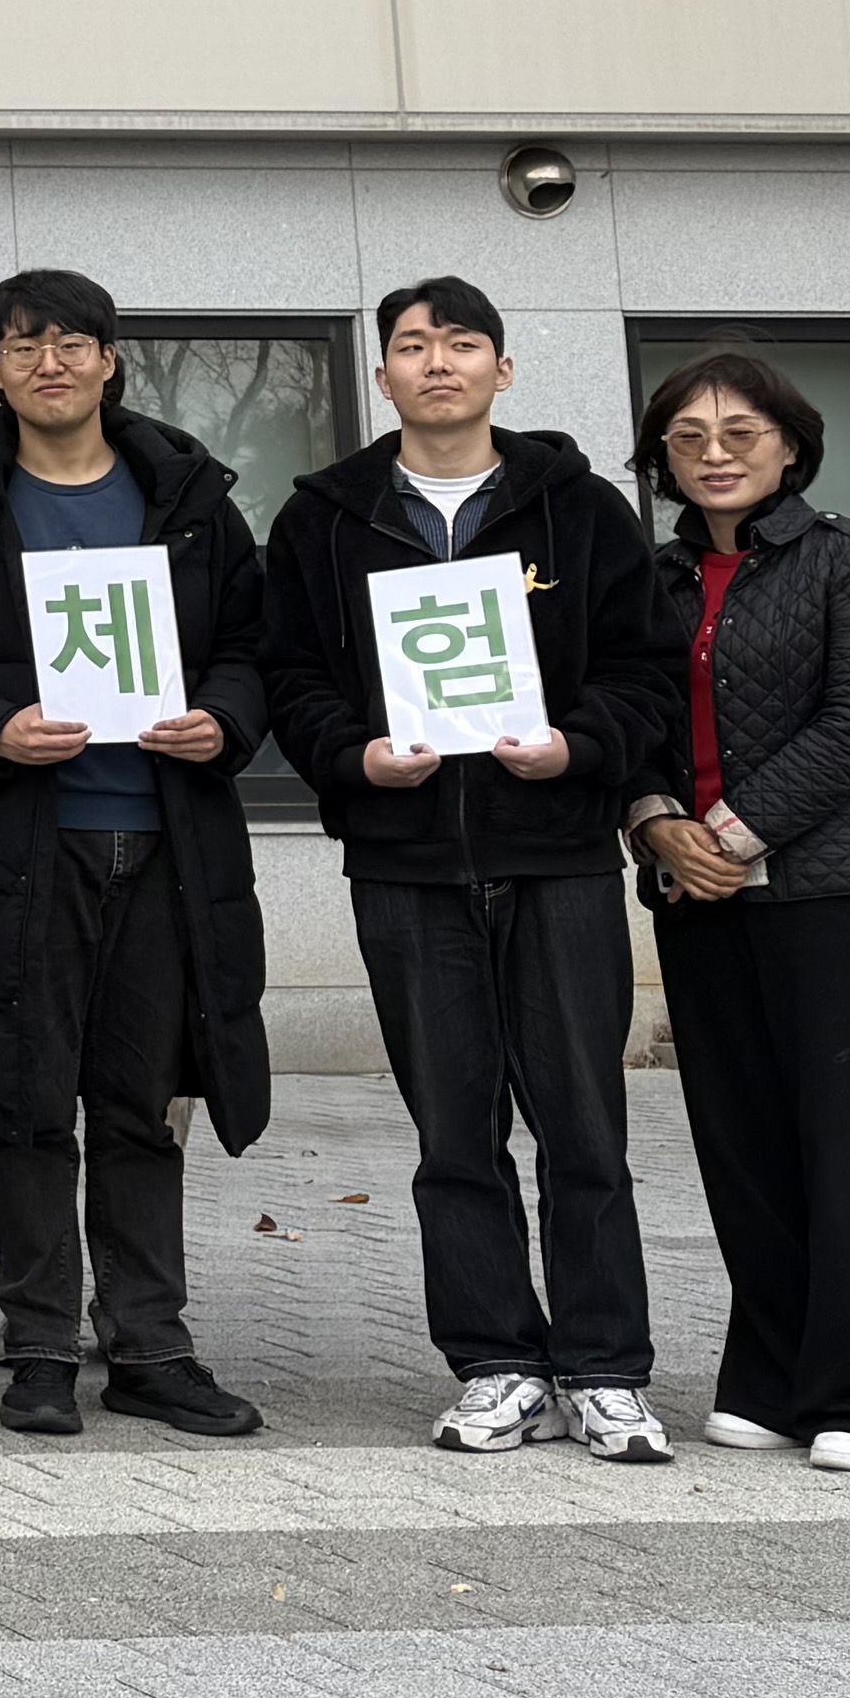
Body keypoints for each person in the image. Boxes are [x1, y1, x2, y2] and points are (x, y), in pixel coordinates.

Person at [257, 280, 682, 1468]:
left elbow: (646, 672)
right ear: (382, 378)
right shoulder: (324, 522)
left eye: (461, 343)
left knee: (585, 1124)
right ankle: (496, 1362)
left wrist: (576, 748)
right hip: (403, 862)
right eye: (410, 345)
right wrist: (352, 758)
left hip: (556, 858)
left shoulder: (582, 512)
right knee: (454, 1130)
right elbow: (289, 676)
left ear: (504, 369)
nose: (436, 362)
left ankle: (605, 1369)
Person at [0, 276, 274, 1441]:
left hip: (165, 841)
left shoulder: (188, 498)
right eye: (22, 343)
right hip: (14, 842)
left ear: (111, 361)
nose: (50, 360)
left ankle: (151, 1345)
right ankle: (40, 1341)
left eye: (73, 341)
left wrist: (224, 721)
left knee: (145, 1105)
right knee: (25, 1096)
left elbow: (252, 646)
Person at [628, 350, 850, 1474]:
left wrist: (735, 835)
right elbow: (626, 724)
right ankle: (767, 1374)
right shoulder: (646, 583)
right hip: (696, 900)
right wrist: (660, 827)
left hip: (835, 894)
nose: (714, 453)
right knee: (741, 1145)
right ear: (662, 457)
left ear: (791, 445)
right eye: (689, 437)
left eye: (740, 433)